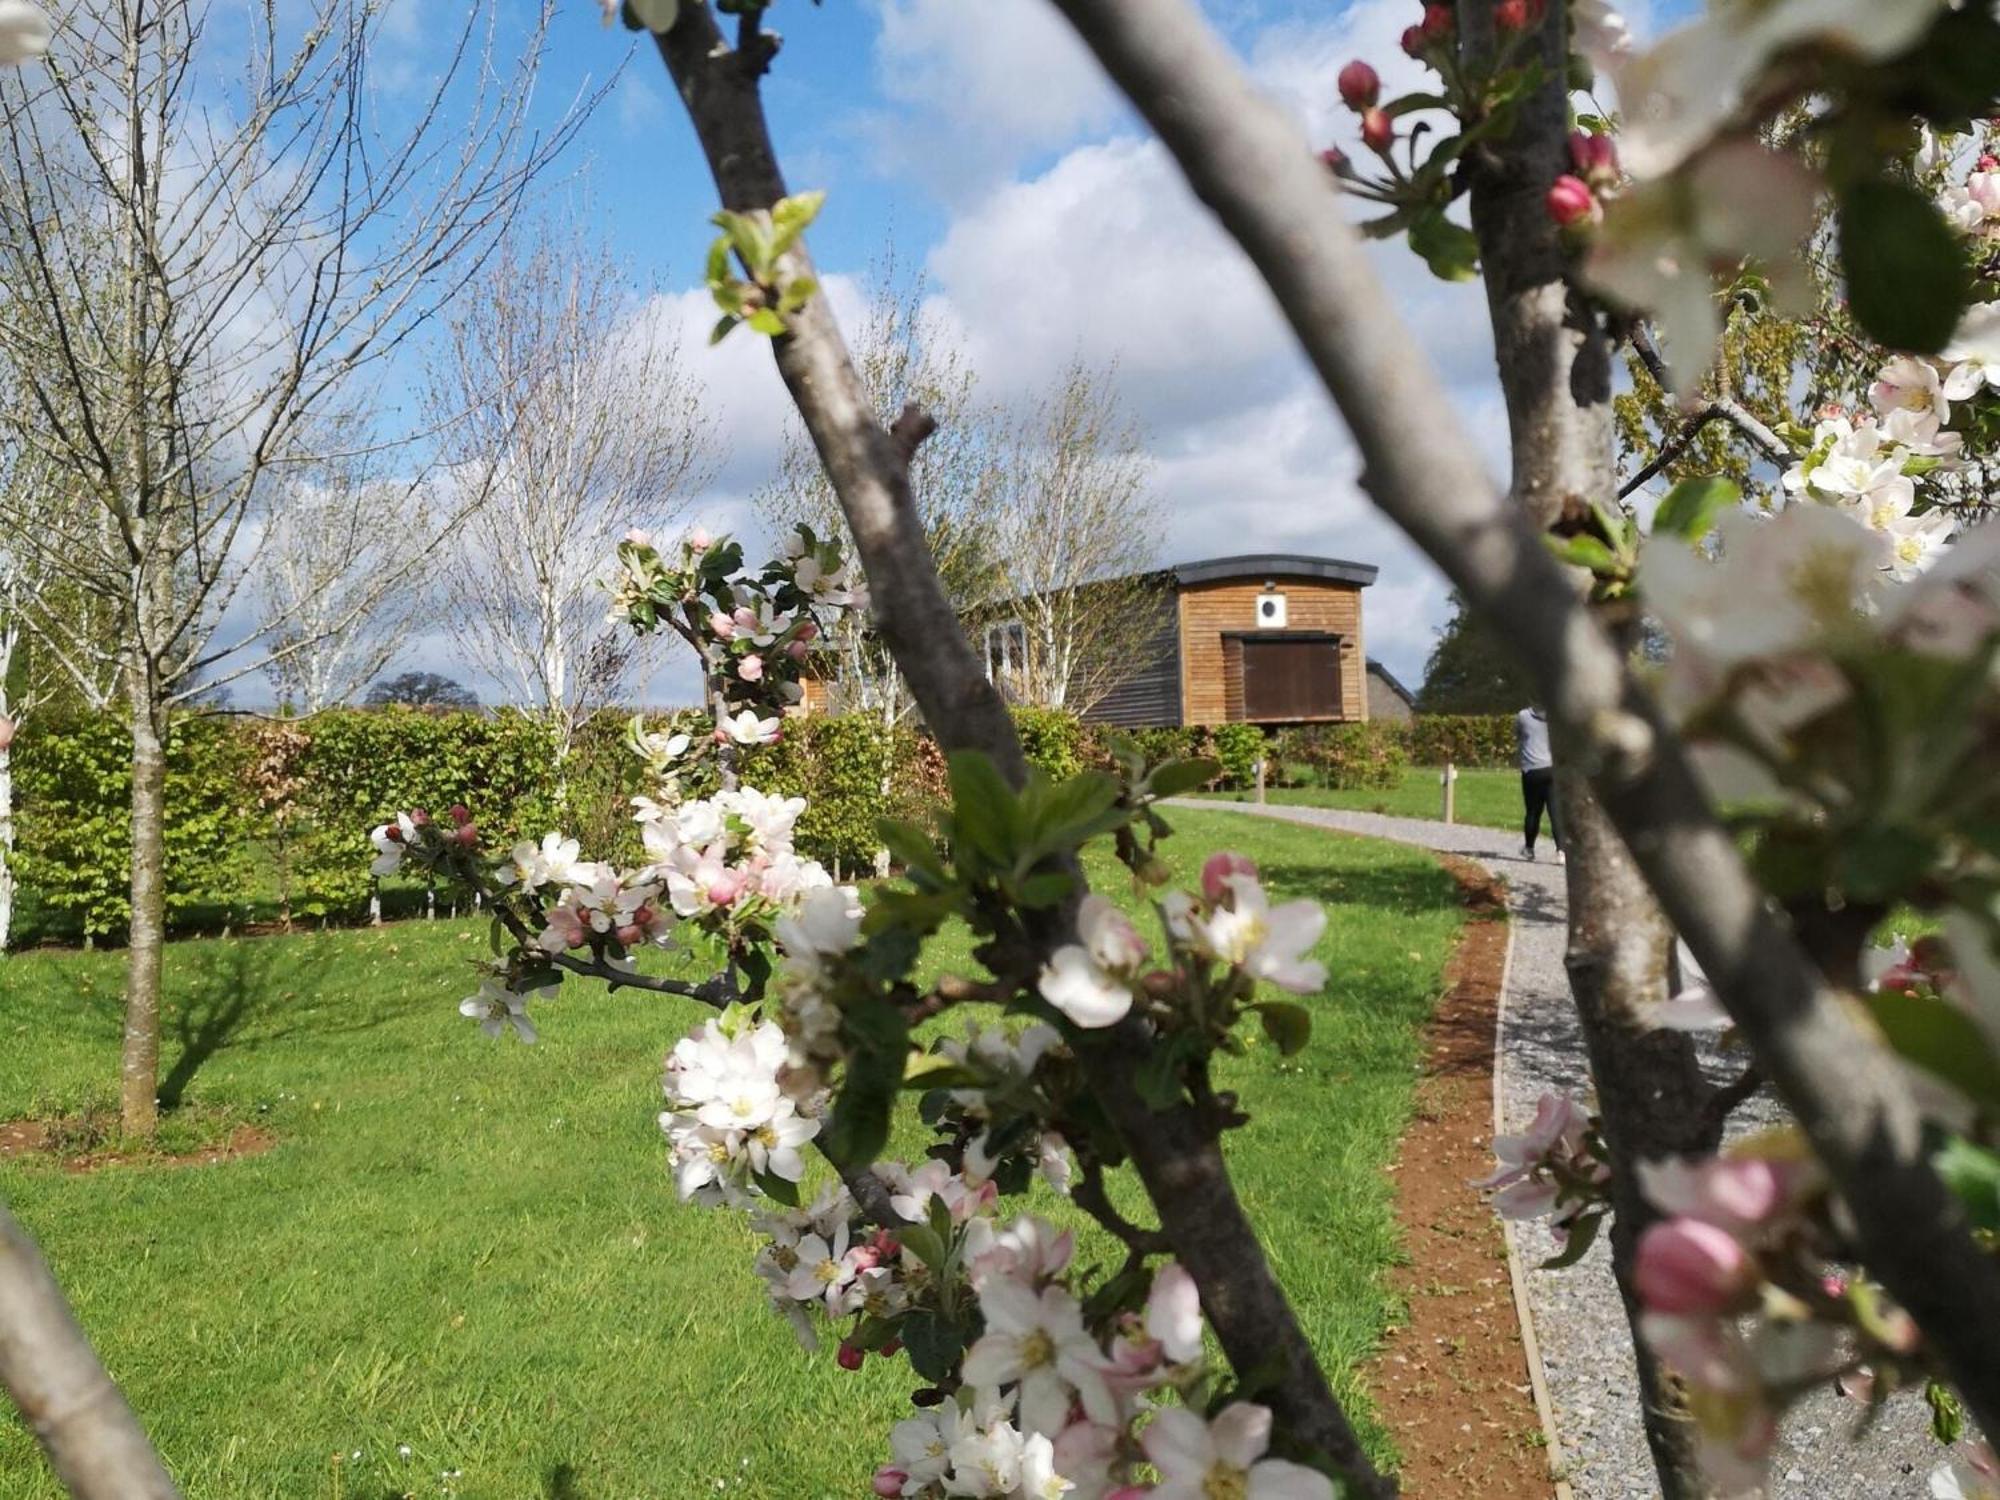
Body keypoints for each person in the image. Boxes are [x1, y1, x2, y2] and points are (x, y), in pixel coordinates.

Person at [1515, 703, 1562, 862]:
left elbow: (1519, 738)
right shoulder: (1555, 717)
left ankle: (1529, 848)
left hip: (1531, 770)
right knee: (1555, 812)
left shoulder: (1523, 716)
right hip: (1552, 769)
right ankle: (1561, 851)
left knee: (1533, 812)